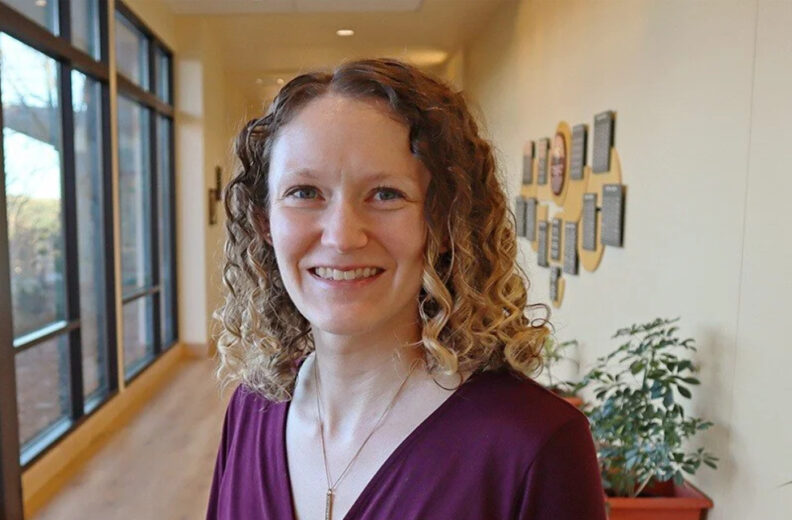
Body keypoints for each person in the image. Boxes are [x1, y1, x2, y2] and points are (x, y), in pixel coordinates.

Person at [206, 58, 606, 520]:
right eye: (304, 192)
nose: (342, 237)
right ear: (265, 223)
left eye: (385, 194)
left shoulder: (533, 446)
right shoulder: (252, 409)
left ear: (445, 222)